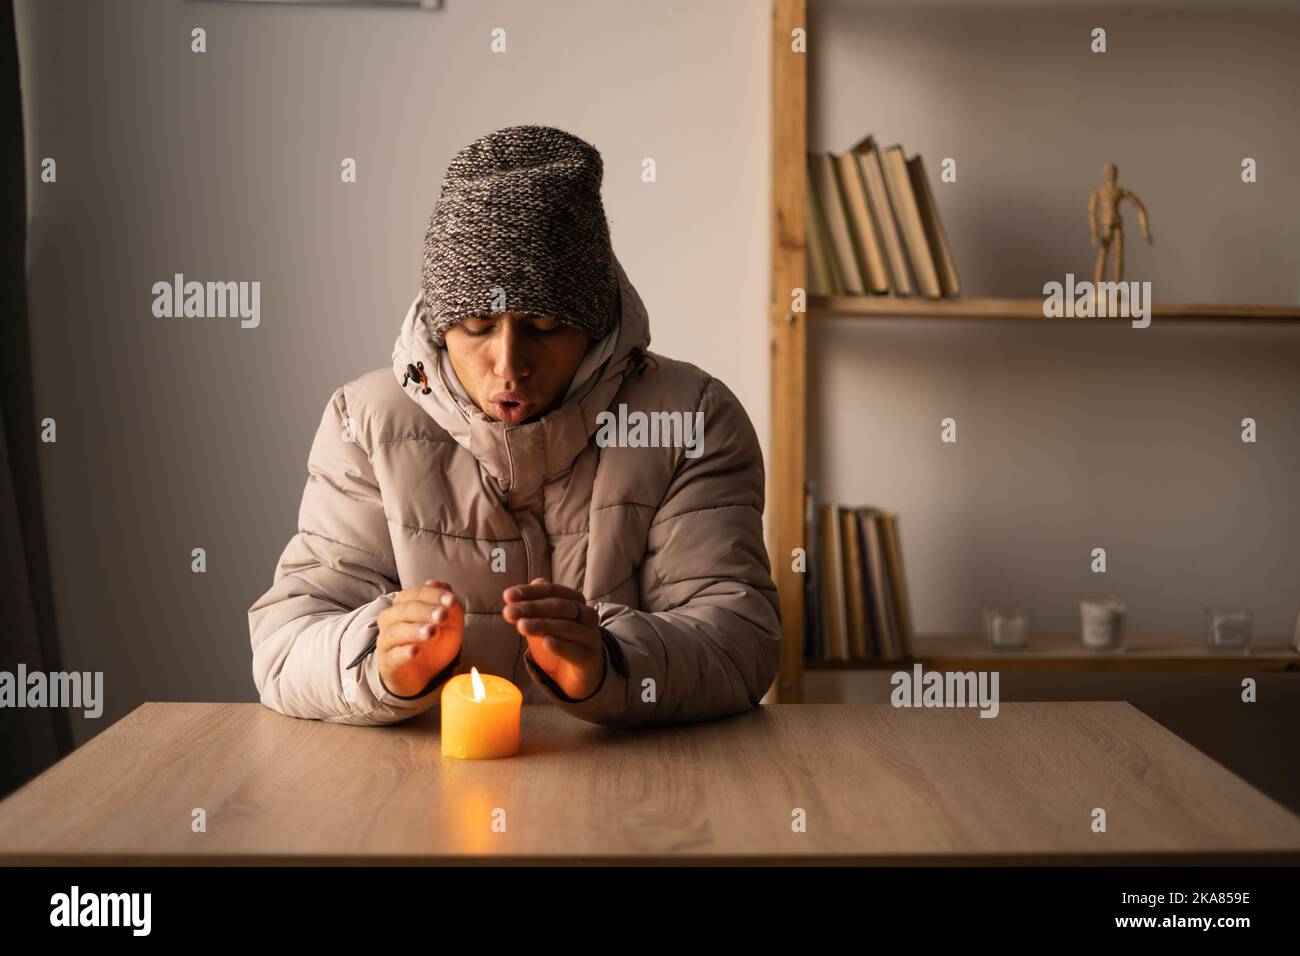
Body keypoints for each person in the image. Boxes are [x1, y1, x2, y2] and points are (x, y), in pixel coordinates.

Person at [247, 124, 780, 728]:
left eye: (546, 325)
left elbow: (739, 641)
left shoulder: (691, 419)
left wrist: (612, 664)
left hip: (635, 800)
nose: (509, 364)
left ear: (594, 321)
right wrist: (377, 662)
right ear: (441, 329)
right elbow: (284, 646)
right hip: (414, 804)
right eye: (476, 325)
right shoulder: (367, 424)